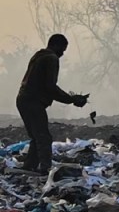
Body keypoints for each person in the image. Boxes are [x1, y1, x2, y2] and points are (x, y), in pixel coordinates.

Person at [16, 34, 88, 175]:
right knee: (43, 137)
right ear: (55, 45)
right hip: (33, 101)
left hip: (23, 99)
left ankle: (29, 166)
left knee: (36, 136)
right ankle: (45, 169)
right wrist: (71, 99)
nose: (62, 53)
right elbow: (50, 87)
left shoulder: (39, 55)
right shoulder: (51, 58)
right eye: (62, 49)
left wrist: (69, 98)